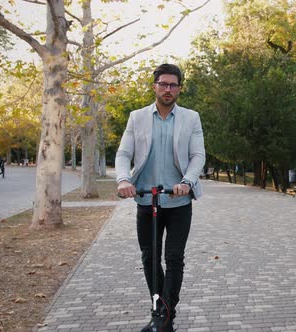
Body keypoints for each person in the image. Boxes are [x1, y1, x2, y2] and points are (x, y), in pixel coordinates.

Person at [115, 63, 205, 332]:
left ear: (179, 88)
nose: (168, 89)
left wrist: (187, 182)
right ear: (154, 86)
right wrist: (123, 179)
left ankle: (164, 316)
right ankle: (161, 313)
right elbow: (123, 154)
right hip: (146, 199)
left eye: (173, 85)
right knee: (149, 258)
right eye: (163, 84)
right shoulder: (137, 117)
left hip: (178, 201)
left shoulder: (191, 118)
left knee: (174, 257)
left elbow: (197, 155)